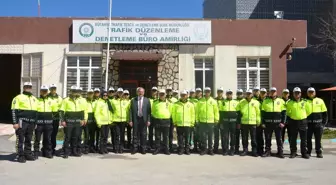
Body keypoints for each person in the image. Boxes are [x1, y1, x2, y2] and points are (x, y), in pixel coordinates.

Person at [11, 82, 38, 163]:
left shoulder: (34, 98)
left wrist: (35, 123)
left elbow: (36, 112)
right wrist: (15, 122)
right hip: (22, 121)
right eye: (26, 87)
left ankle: (28, 153)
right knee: (20, 139)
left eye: (29, 87)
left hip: (31, 122)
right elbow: (14, 111)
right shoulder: (18, 97)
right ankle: (20, 155)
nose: (28, 88)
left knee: (29, 139)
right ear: (24, 87)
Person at [59, 86, 87, 158]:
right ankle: (66, 152)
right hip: (69, 122)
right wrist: (62, 120)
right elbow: (61, 111)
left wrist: (84, 119)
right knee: (67, 137)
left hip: (78, 122)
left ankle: (74, 151)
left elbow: (83, 111)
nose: (75, 92)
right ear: (70, 91)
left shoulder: (81, 100)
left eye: (76, 91)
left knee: (75, 137)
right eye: (73, 91)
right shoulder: (66, 100)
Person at [261, 87, 286, 158]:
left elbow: (284, 113)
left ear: (276, 92)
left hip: (278, 124)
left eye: (274, 91)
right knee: (267, 138)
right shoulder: (265, 101)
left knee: (279, 139)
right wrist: (263, 123)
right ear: (269, 93)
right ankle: (267, 151)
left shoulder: (281, 101)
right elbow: (263, 113)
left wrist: (283, 123)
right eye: (271, 92)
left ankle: (280, 152)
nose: (273, 93)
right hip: (268, 124)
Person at [286, 87, 310, 159]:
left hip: (303, 122)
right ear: (293, 94)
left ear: (300, 94)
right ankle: (293, 152)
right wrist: (294, 116)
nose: (297, 94)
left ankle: (304, 153)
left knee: (304, 139)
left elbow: (308, 111)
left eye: (298, 93)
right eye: (295, 93)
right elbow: (288, 112)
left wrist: (302, 116)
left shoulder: (305, 102)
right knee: (293, 139)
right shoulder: (290, 102)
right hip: (293, 122)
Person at [236, 89, 260, 157]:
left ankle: (254, 151)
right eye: (247, 93)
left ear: (252, 94)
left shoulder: (256, 102)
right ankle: (245, 150)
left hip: (253, 123)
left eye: (250, 93)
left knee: (253, 138)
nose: (249, 95)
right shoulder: (241, 102)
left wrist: (258, 121)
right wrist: (239, 122)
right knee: (244, 138)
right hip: (244, 123)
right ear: (245, 94)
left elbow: (258, 113)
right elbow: (238, 113)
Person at [196, 87, 219, 155]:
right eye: (206, 91)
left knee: (210, 136)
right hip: (202, 121)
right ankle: (204, 149)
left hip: (211, 122)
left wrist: (216, 119)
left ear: (210, 92)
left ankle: (210, 150)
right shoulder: (200, 101)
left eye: (208, 91)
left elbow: (216, 111)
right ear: (204, 92)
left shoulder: (213, 101)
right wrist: (197, 120)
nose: (207, 93)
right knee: (203, 136)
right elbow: (197, 111)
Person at [306, 87, 328, 158]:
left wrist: (323, 124)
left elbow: (325, 113)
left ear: (315, 93)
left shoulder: (320, 100)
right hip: (308, 124)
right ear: (307, 93)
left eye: (312, 92)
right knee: (308, 139)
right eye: (309, 92)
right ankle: (308, 152)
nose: (311, 93)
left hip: (318, 124)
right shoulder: (304, 101)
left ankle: (319, 152)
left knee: (318, 139)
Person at [129, 87, 151, 154]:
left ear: (144, 92)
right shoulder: (133, 100)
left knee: (143, 134)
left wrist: (149, 120)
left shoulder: (147, 100)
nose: (141, 93)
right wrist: (130, 120)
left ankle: (143, 148)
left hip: (144, 119)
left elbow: (149, 112)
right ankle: (135, 148)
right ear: (137, 92)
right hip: (136, 119)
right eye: (139, 91)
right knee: (135, 134)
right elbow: (130, 111)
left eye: (142, 92)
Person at [34, 85, 54, 159]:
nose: (44, 92)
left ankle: (47, 152)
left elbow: (55, 111)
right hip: (39, 124)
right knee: (37, 139)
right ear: (40, 91)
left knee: (47, 139)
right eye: (43, 91)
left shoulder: (51, 100)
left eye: (45, 91)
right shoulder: (36, 100)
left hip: (48, 123)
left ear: (47, 91)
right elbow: (35, 111)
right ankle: (36, 153)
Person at [172, 90, 195, 155]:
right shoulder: (176, 104)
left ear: (187, 96)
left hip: (188, 124)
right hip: (179, 124)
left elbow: (193, 114)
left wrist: (192, 122)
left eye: (184, 95)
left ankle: (187, 149)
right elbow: (174, 113)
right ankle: (181, 149)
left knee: (187, 138)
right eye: (182, 95)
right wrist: (174, 121)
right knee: (180, 138)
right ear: (180, 96)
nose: (183, 96)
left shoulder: (190, 104)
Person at [152, 89, 172, 155]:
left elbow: (171, 111)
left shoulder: (169, 102)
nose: (161, 95)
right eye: (160, 94)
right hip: (158, 120)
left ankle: (166, 149)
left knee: (165, 136)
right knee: (157, 136)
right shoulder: (155, 102)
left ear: (165, 94)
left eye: (163, 94)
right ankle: (157, 148)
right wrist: (157, 117)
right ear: (158, 94)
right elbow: (153, 112)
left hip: (166, 121)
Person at [220, 89, 239, 156]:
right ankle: (225, 150)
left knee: (233, 136)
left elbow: (238, 113)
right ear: (226, 94)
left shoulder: (236, 102)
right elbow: (221, 113)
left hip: (233, 123)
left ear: (232, 94)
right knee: (225, 137)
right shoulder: (223, 102)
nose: (229, 95)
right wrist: (221, 123)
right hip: (225, 123)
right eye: (228, 93)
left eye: (230, 93)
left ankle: (232, 150)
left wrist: (238, 123)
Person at [111, 88, 129, 153]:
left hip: (123, 121)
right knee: (117, 135)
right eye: (119, 92)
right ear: (117, 93)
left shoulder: (126, 101)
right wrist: (111, 120)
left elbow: (127, 111)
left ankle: (121, 148)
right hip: (116, 120)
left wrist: (127, 120)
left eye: (121, 92)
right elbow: (111, 111)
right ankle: (116, 148)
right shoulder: (113, 101)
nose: (120, 94)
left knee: (122, 135)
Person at [48, 84, 63, 156]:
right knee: (48, 134)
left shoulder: (59, 98)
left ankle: (53, 148)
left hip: (56, 119)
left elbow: (61, 109)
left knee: (54, 134)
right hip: (48, 118)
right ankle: (47, 148)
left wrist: (61, 119)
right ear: (49, 89)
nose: (53, 90)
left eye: (54, 89)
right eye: (52, 89)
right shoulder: (47, 97)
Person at [76, 87, 87, 156]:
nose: (78, 93)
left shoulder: (83, 100)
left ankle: (79, 149)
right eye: (77, 91)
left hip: (80, 120)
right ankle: (73, 148)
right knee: (74, 136)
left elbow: (85, 110)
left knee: (79, 136)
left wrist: (85, 119)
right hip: (73, 120)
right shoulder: (72, 99)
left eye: (80, 91)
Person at [256, 88, 267, 156]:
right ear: (260, 93)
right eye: (261, 93)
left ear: (266, 93)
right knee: (258, 136)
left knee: (267, 137)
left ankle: (266, 150)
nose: (263, 94)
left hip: (266, 121)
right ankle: (259, 150)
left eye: (264, 93)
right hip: (258, 121)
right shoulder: (256, 101)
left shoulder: (268, 100)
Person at [167, 87, 178, 152]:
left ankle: (170, 146)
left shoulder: (175, 100)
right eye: (167, 91)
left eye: (170, 91)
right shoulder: (164, 99)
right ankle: (165, 145)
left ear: (172, 92)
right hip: (166, 118)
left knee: (171, 133)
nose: (169, 92)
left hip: (172, 118)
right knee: (165, 133)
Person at [214, 87, 225, 153]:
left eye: (221, 92)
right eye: (218, 91)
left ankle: (224, 148)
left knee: (223, 135)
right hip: (215, 119)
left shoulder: (225, 100)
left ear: (222, 93)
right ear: (217, 92)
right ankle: (215, 148)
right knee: (216, 135)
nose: (219, 93)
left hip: (222, 120)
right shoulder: (214, 100)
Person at [235, 89, 244, 154]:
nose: (239, 95)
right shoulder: (234, 101)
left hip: (244, 121)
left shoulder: (244, 101)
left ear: (242, 94)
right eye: (238, 93)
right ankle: (236, 149)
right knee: (236, 136)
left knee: (244, 136)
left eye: (240, 93)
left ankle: (244, 149)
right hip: (236, 121)